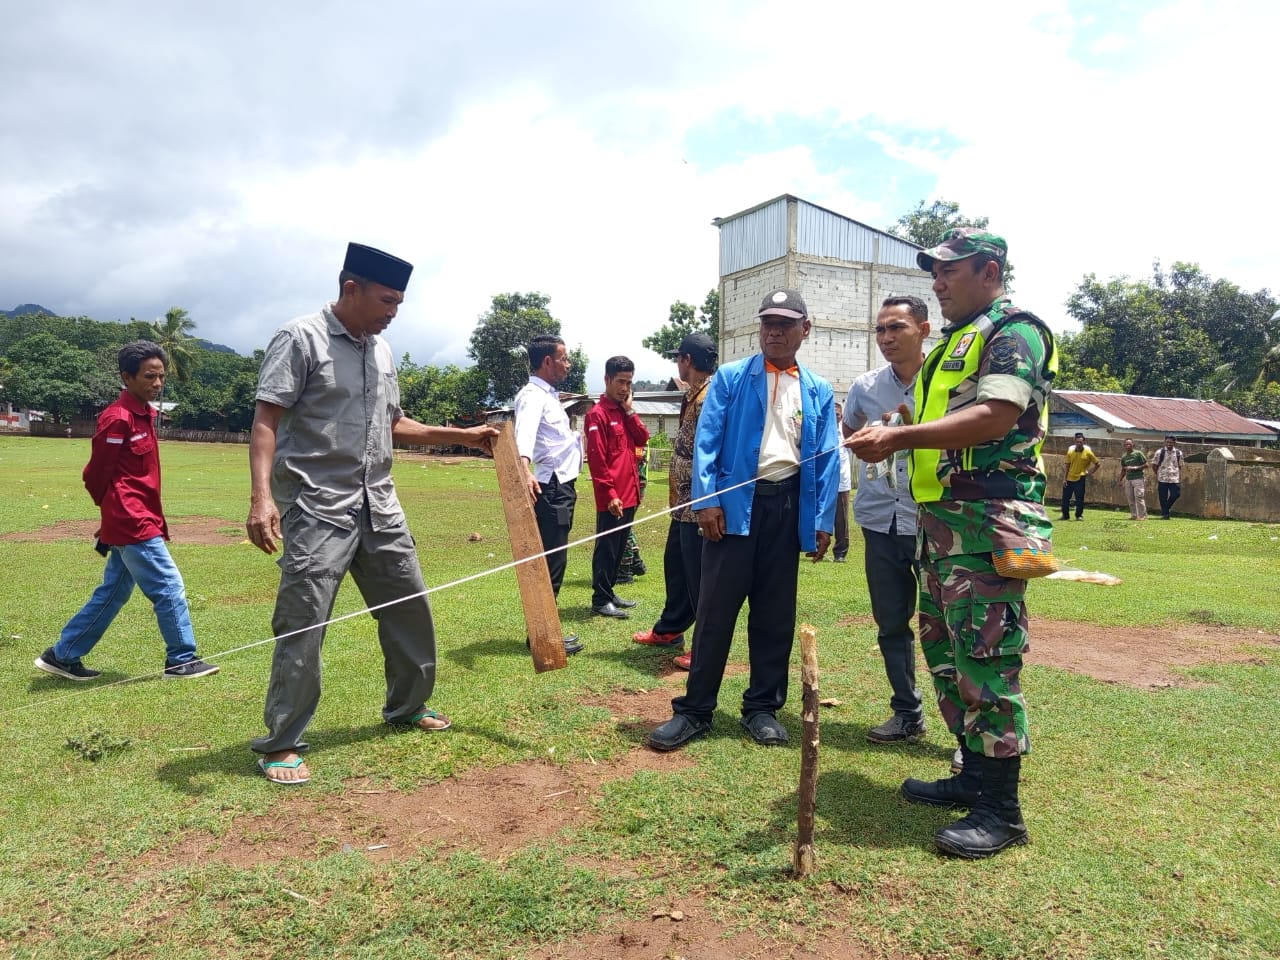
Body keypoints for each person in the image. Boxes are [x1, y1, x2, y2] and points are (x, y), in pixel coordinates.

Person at [245, 242, 497, 786]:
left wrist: (465, 437)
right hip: (316, 507)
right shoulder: (300, 338)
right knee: (304, 622)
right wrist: (262, 498)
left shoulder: (381, 352)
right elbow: (266, 420)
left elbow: (395, 424)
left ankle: (407, 706)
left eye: (400, 304)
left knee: (410, 607)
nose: (392, 313)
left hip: (379, 504)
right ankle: (282, 741)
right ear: (350, 287)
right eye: (386, 300)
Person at [846, 228, 1057, 859]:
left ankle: (1002, 810)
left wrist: (903, 441)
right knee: (943, 650)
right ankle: (972, 773)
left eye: (949, 271)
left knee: (986, 658)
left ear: (988, 271)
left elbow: (996, 416)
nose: (937, 283)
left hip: (985, 521)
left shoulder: (1013, 332)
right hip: (942, 528)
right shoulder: (955, 344)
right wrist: (898, 427)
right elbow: (946, 421)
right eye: (935, 272)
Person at [648, 289, 839, 752]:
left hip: (788, 506)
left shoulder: (817, 388)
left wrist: (823, 519)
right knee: (715, 610)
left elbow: (828, 457)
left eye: (785, 323)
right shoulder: (731, 379)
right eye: (767, 323)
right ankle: (695, 709)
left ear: (804, 330)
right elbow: (706, 443)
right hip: (732, 506)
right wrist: (706, 501)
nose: (773, 331)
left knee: (775, 613)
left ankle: (762, 708)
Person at [35, 341, 219, 682]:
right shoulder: (116, 420)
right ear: (127, 377)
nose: (158, 383)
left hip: (138, 517)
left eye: (162, 376)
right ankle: (182, 660)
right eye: (150, 376)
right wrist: (113, 516)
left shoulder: (146, 415)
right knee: (169, 585)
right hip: (132, 520)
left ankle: (63, 655)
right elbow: (96, 474)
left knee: (114, 591)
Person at [842, 295, 931, 747]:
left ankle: (969, 733)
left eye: (897, 327)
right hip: (880, 518)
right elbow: (850, 432)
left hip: (934, 521)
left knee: (949, 627)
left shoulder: (946, 383)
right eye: (880, 330)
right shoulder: (865, 386)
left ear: (924, 330)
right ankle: (907, 712)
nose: (887, 338)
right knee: (891, 621)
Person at [632, 332, 717, 671]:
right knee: (676, 565)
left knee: (699, 576)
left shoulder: (710, 397)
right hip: (682, 502)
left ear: (687, 361)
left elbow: (710, 450)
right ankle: (671, 629)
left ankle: (705, 647)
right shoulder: (692, 393)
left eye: (678, 358)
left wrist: (705, 500)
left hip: (699, 502)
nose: (677, 364)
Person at [513, 334, 586, 655]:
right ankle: (542, 636)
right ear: (547, 361)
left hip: (561, 485)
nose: (568, 364)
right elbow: (524, 435)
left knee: (555, 557)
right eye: (564, 359)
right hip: (550, 487)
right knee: (552, 560)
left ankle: (545, 630)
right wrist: (524, 469)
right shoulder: (532, 396)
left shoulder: (549, 396)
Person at [584, 356, 651, 619]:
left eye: (629, 383)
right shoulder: (597, 415)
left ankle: (610, 592)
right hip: (612, 498)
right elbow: (598, 462)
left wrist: (630, 410)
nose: (625, 388)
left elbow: (643, 438)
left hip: (630, 493)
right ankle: (600, 599)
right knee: (607, 548)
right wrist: (610, 494)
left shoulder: (624, 413)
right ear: (607, 380)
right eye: (621, 382)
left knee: (620, 545)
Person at [616, 445, 648, 584]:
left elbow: (635, 459)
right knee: (625, 525)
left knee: (622, 526)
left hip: (631, 485)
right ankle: (635, 560)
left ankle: (625, 570)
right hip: (632, 484)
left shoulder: (636, 436)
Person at [1061, 432, 1099, 520]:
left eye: (1080, 442)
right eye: (1077, 442)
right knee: (1065, 498)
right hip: (1069, 478)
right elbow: (1067, 466)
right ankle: (1065, 515)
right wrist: (1064, 478)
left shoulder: (1088, 452)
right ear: (1075, 442)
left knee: (1079, 499)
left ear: (1084, 442)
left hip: (1080, 478)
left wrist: (1090, 472)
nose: (1079, 443)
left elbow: (1097, 464)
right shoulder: (1070, 451)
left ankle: (1079, 515)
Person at [832, 402, 852, 563]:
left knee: (841, 520)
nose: (834, 417)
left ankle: (840, 552)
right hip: (824, 483)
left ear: (842, 416)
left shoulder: (846, 435)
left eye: (837, 414)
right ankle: (817, 547)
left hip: (842, 483)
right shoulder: (822, 432)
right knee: (820, 516)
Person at [1151, 435, 1184, 519]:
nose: (1169, 444)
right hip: (1162, 478)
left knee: (1176, 494)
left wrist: (1176, 473)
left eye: (1171, 442)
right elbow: (1154, 465)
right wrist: (1158, 474)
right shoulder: (1159, 452)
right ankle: (1166, 514)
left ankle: (1165, 509)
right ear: (1165, 442)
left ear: (1174, 442)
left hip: (1174, 479)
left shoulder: (1178, 453)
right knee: (1162, 497)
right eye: (1167, 442)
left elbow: (1180, 465)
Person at [1120, 438, 1149, 520]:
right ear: (1124, 446)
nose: (1128, 446)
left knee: (1139, 497)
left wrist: (1135, 467)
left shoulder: (1138, 454)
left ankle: (1142, 516)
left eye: (1129, 444)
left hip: (1138, 478)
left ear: (1133, 445)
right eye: (1126, 444)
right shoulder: (1124, 457)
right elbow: (1123, 469)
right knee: (1130, 498)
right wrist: (1120, 480)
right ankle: (1134, 515)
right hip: (1128, 479)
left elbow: (1147, 465)